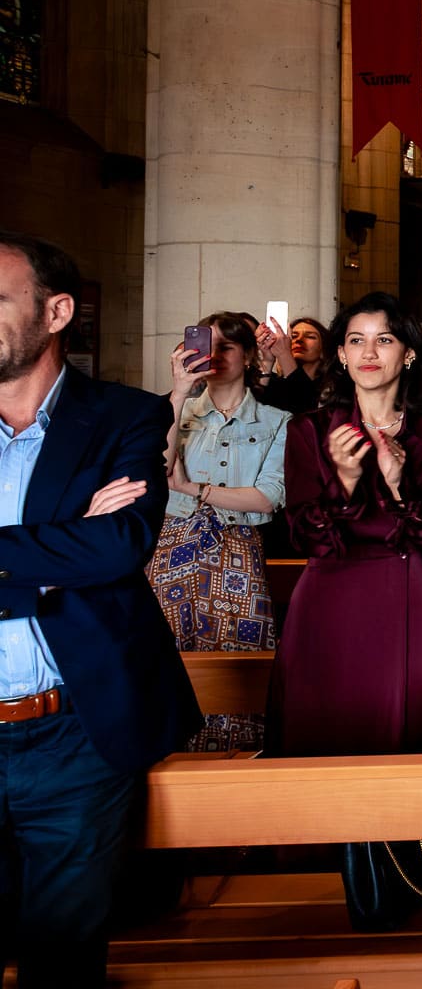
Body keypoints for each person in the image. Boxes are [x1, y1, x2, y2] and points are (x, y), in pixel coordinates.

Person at [0, 233, 198, 985]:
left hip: (73, 735)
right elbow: (86, 551)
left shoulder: (124, 416)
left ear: (56, 312)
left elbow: (118, 547)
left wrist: (81, 543)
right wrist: (61, 546)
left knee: (62, 960)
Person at [274, 292, 422, 755]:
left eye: (385, 340)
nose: (369, 353)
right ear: (340, 354)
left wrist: (400, 486)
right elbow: (304, 537)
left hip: (409, 591)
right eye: (356, 341)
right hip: (329, 596)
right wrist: (344, 480)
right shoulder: (308, 430)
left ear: (410, 352)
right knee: (323, 733)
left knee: (408, 733)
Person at [148, 311, 290, 750]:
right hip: (172, 547)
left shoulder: (277, 420)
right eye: (206, 345)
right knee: (168, 665)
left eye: (227, 346)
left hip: (238, 552)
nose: (215, 356)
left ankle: (236, 773)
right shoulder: (171, 409)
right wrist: (177, 393)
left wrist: (194, 489)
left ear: (249, 355)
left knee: (238, 671)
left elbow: (268, 496)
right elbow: (156, 470)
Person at [257, 314, 331, 414]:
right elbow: (254, 409)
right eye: (294, 336)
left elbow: (306, 409)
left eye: (310, 336)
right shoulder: (276, 384)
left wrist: (284, 355)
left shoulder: (332, 386)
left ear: (324, 348)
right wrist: (267, 361)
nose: (299, 340)